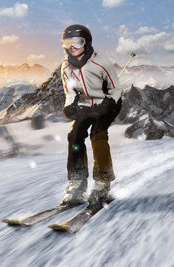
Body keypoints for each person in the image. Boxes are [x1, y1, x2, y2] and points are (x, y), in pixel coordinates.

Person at [60, 24, 122, 206]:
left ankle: (103, 182)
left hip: (108, 103)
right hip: (87, 105)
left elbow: (116, 89)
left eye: (77, 42)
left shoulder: (101, 63)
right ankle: (77, 182)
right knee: (75, 135)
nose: (71, 47)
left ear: (86, 43)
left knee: (97, 133)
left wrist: (109, 103)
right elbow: (70, 92)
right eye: (66, 43)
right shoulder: (66, 68)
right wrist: (69, 105)